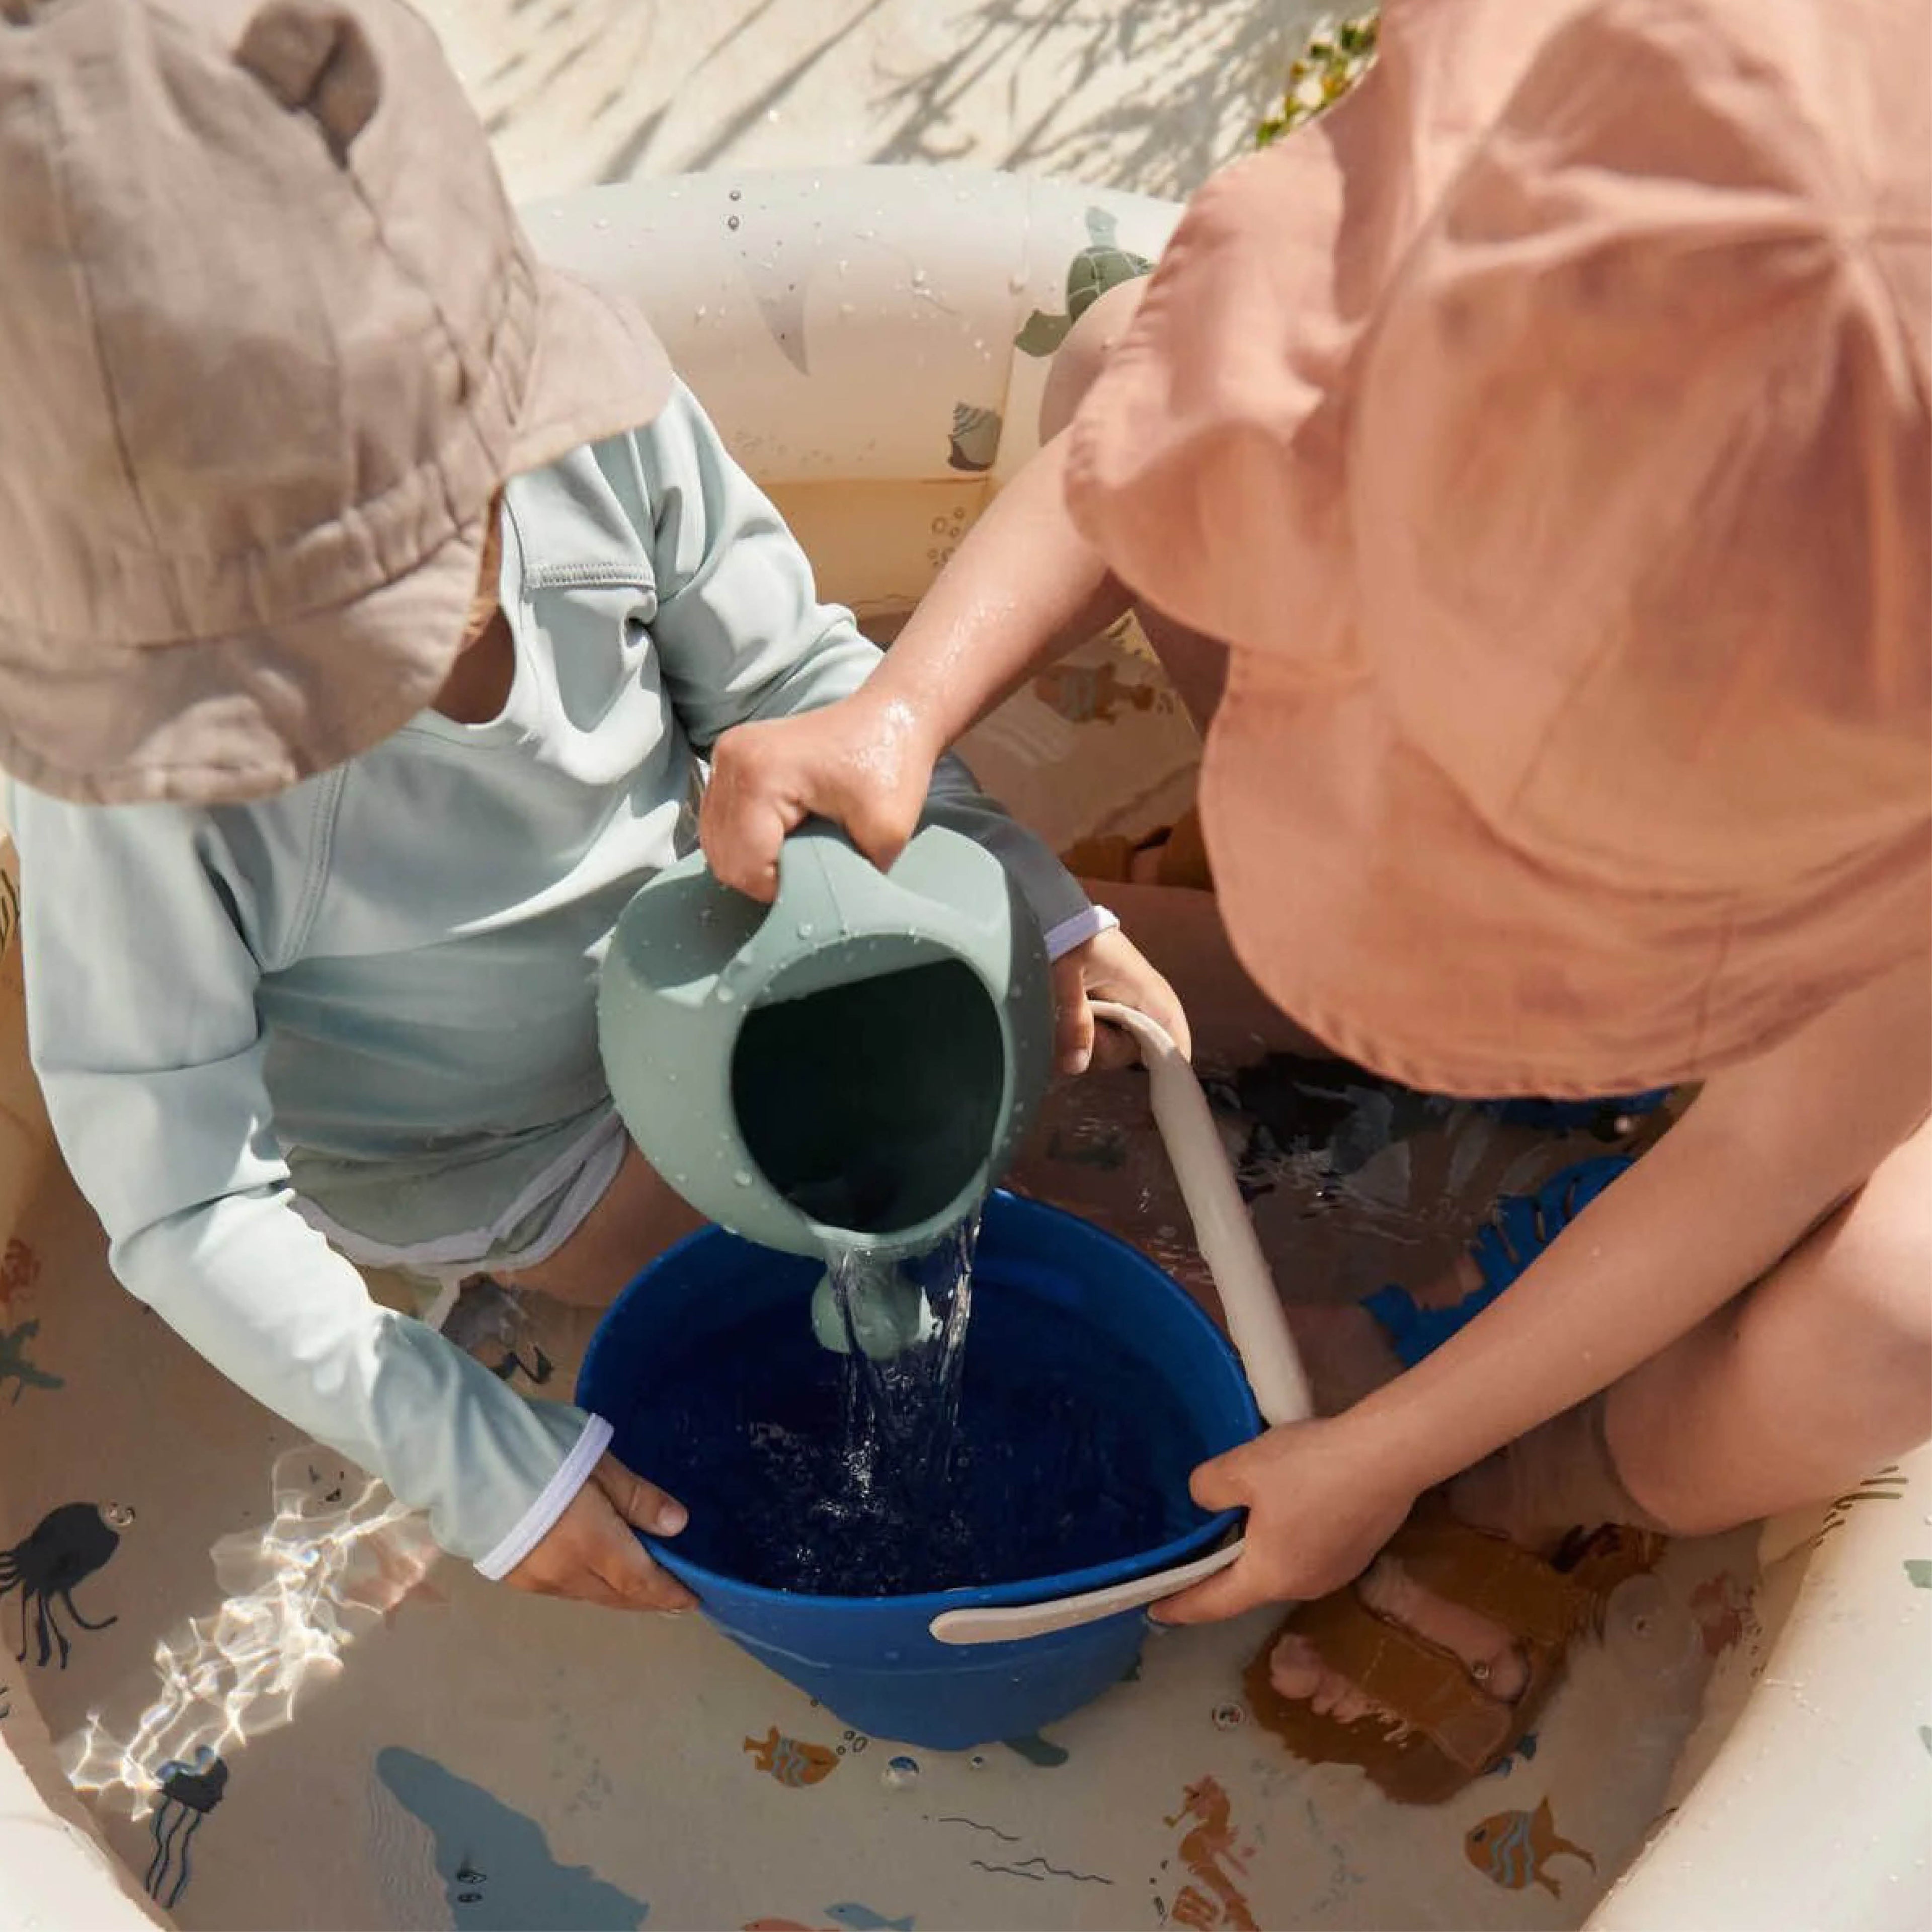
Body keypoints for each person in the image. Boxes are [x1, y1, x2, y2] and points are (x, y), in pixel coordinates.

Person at [696, 0, 1930, 1796]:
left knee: (1901, 1305)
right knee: (1118, 348)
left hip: (1849, 1031)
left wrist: (1401, 1452)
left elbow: (1769, 1157)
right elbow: (1144, 421)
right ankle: (1299, 987)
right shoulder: (1461, 278)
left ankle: (1550, 1481)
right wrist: (903, 709)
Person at [0, 0, 1182, 1613]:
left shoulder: (589, 432)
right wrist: (476, 1451)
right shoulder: (141, 782)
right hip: (517, 1153)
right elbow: (189, 1194)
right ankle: (1250, 1350)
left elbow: (794, 680)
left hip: (724, 932)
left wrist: (1017, 877)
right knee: (921, 1286)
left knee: (1110, 1024)